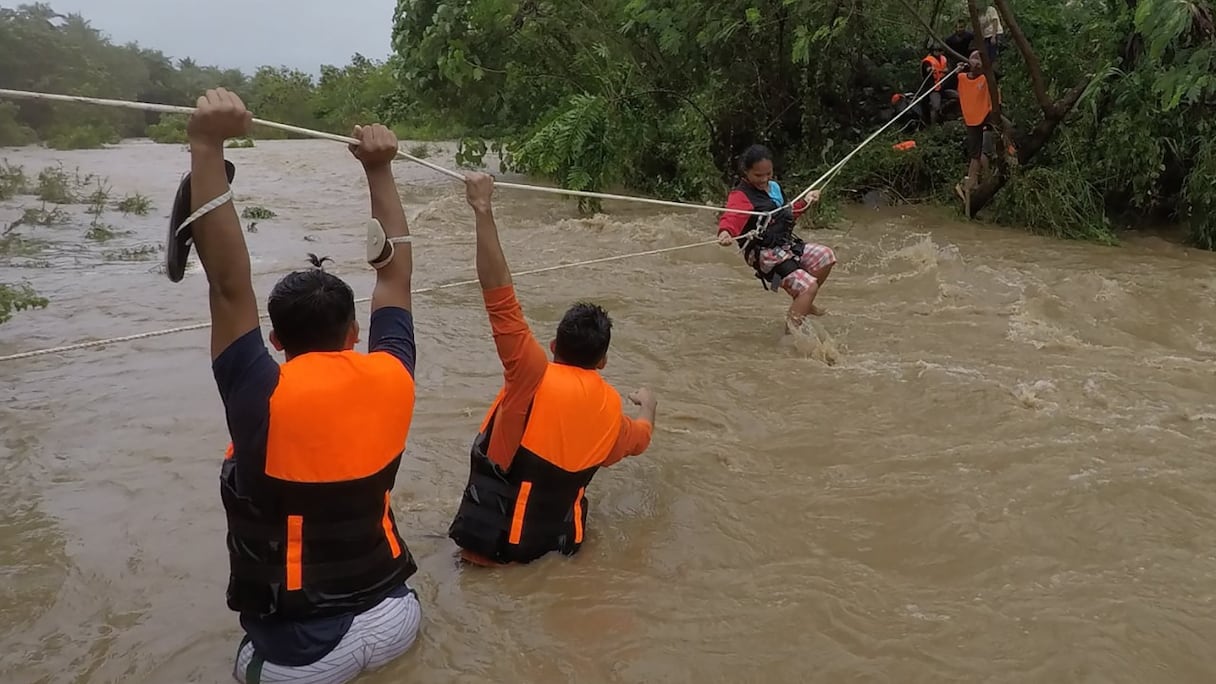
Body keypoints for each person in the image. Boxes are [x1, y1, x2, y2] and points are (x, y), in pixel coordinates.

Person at [173, 89, 422, 683]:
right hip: (395, 616)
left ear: (276, 341)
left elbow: (230, 288)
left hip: (302, 651)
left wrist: (207, 146)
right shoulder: (394, 374)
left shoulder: (262, 395)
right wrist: (380, 169)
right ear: (355, 329)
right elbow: (397, 272)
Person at [446, 171, 659, 567]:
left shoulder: (530, 374)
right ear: (603, 362)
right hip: (556, 556)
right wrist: (648, 403)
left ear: (553, 346)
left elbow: (499, 295)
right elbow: (641, 438)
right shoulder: (612, 412)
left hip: (485, 558)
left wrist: (482, 208)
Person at [716, 144, 836, 329]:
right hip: (765, 255)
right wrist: (725, 233)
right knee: (808, 287)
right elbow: (731, 217)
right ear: (746, 172)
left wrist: (806, 201)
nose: (764, 179)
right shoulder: (741, 196)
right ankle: (791, 336)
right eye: (758, 175)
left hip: (786, 246)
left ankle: (803, 302)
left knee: (826, 256)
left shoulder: (774, 188)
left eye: (768, 174)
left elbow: (786, 214)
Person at [954, 50, 1000, 200]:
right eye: (974, 58)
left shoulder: (986, 79)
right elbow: (949, 83)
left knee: (982, 152)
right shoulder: (961, 77)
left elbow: (995, 95)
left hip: (986, 119)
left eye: (979, 59)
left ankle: (977, 182)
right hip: (971, 120)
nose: (976, 62)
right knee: (977, 153)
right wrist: (958, 69)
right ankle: (977, 183)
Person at [919, 45, 949, 124]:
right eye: (936, 51)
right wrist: (930, 70)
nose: (938, 52)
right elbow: (927, 69)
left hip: (943, 85)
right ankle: (933, 125)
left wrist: (946, 70)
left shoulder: (943, 59)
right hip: (933, 87)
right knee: (935, 106)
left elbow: (947, 68)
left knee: (955, 96)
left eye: (940, 51)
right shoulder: (928, 61)